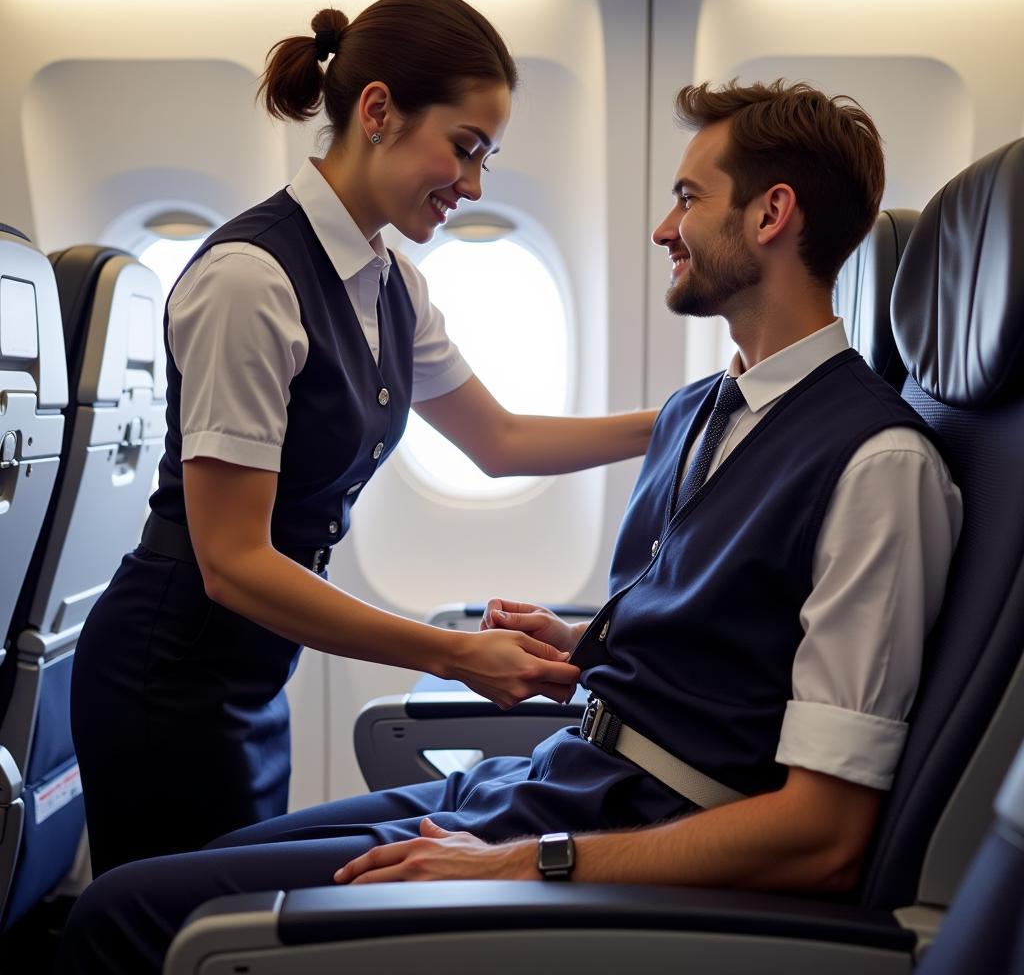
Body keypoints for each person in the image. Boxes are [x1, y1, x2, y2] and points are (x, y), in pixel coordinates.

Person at [57, 79, 962, 974]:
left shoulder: (878, 465)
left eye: (687, 198)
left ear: (772, 215)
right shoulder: (708, 414)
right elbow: (727, 639)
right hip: (559, 779)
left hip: (618, 823)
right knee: (180, 876)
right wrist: (582, 646)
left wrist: (517, 863)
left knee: (127, 917)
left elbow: (824, 836)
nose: (661, 229)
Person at [69, 0, 661, 879]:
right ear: (378, 111)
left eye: (487, 160)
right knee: (172, 924)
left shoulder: (388, 282)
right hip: (169, 668)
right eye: (463, 150)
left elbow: (499, 439)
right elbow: (231, 561)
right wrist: (456, 653)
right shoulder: (249, 282)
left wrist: (684, 419)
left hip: (251, 664)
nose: (472, 186)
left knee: (220, 915)